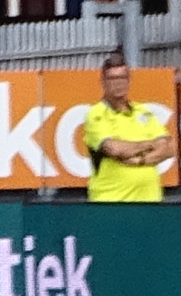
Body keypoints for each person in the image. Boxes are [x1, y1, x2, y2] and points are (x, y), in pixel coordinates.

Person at [73, 57, 170, 202]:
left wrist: (140, 160)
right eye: (113, 78)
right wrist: (150, 145)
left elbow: (169, 148)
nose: (118, 83)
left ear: (129, 80)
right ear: (103, 82)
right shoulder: (96, 114)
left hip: (150, 201)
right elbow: (115, 149)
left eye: (122, 78)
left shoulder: (142, 111)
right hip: (113, 202)